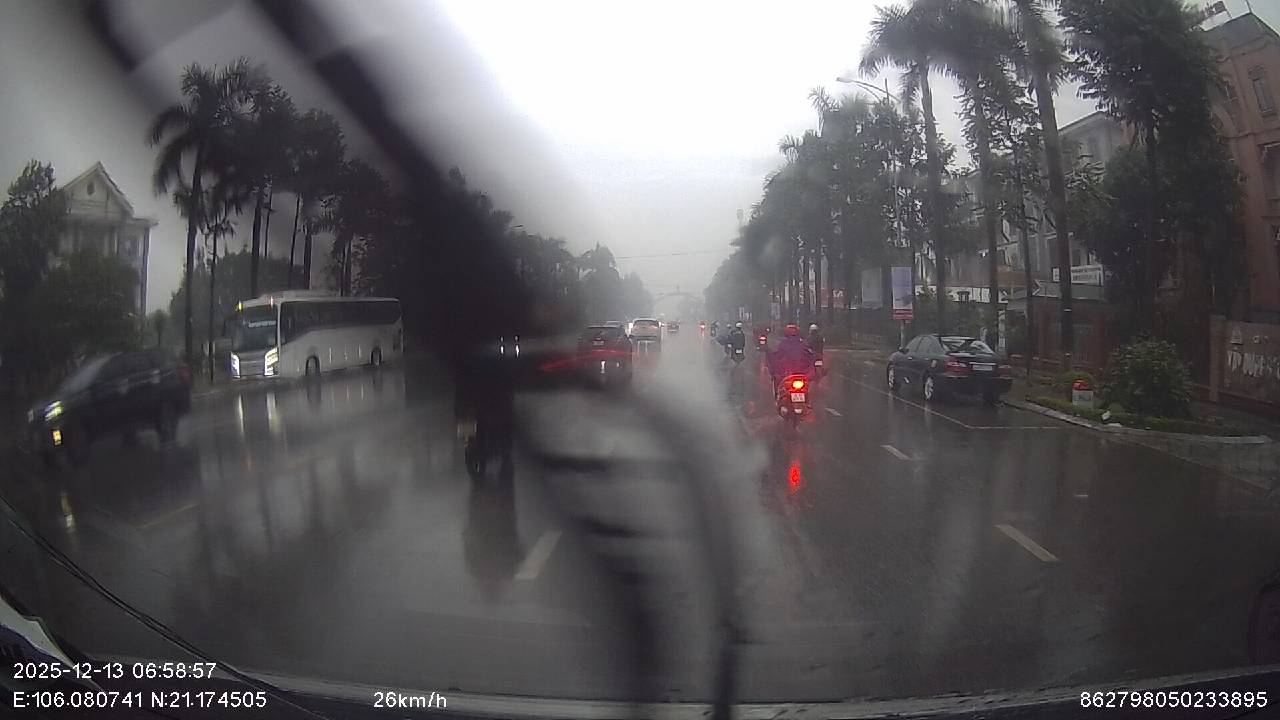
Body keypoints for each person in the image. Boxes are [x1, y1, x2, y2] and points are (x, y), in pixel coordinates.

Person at [766, 323, 815, 389]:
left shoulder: (783, 344)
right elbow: (810, 356)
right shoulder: (802, 344)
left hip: (789, 374)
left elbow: (776, 358)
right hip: (798, 374)